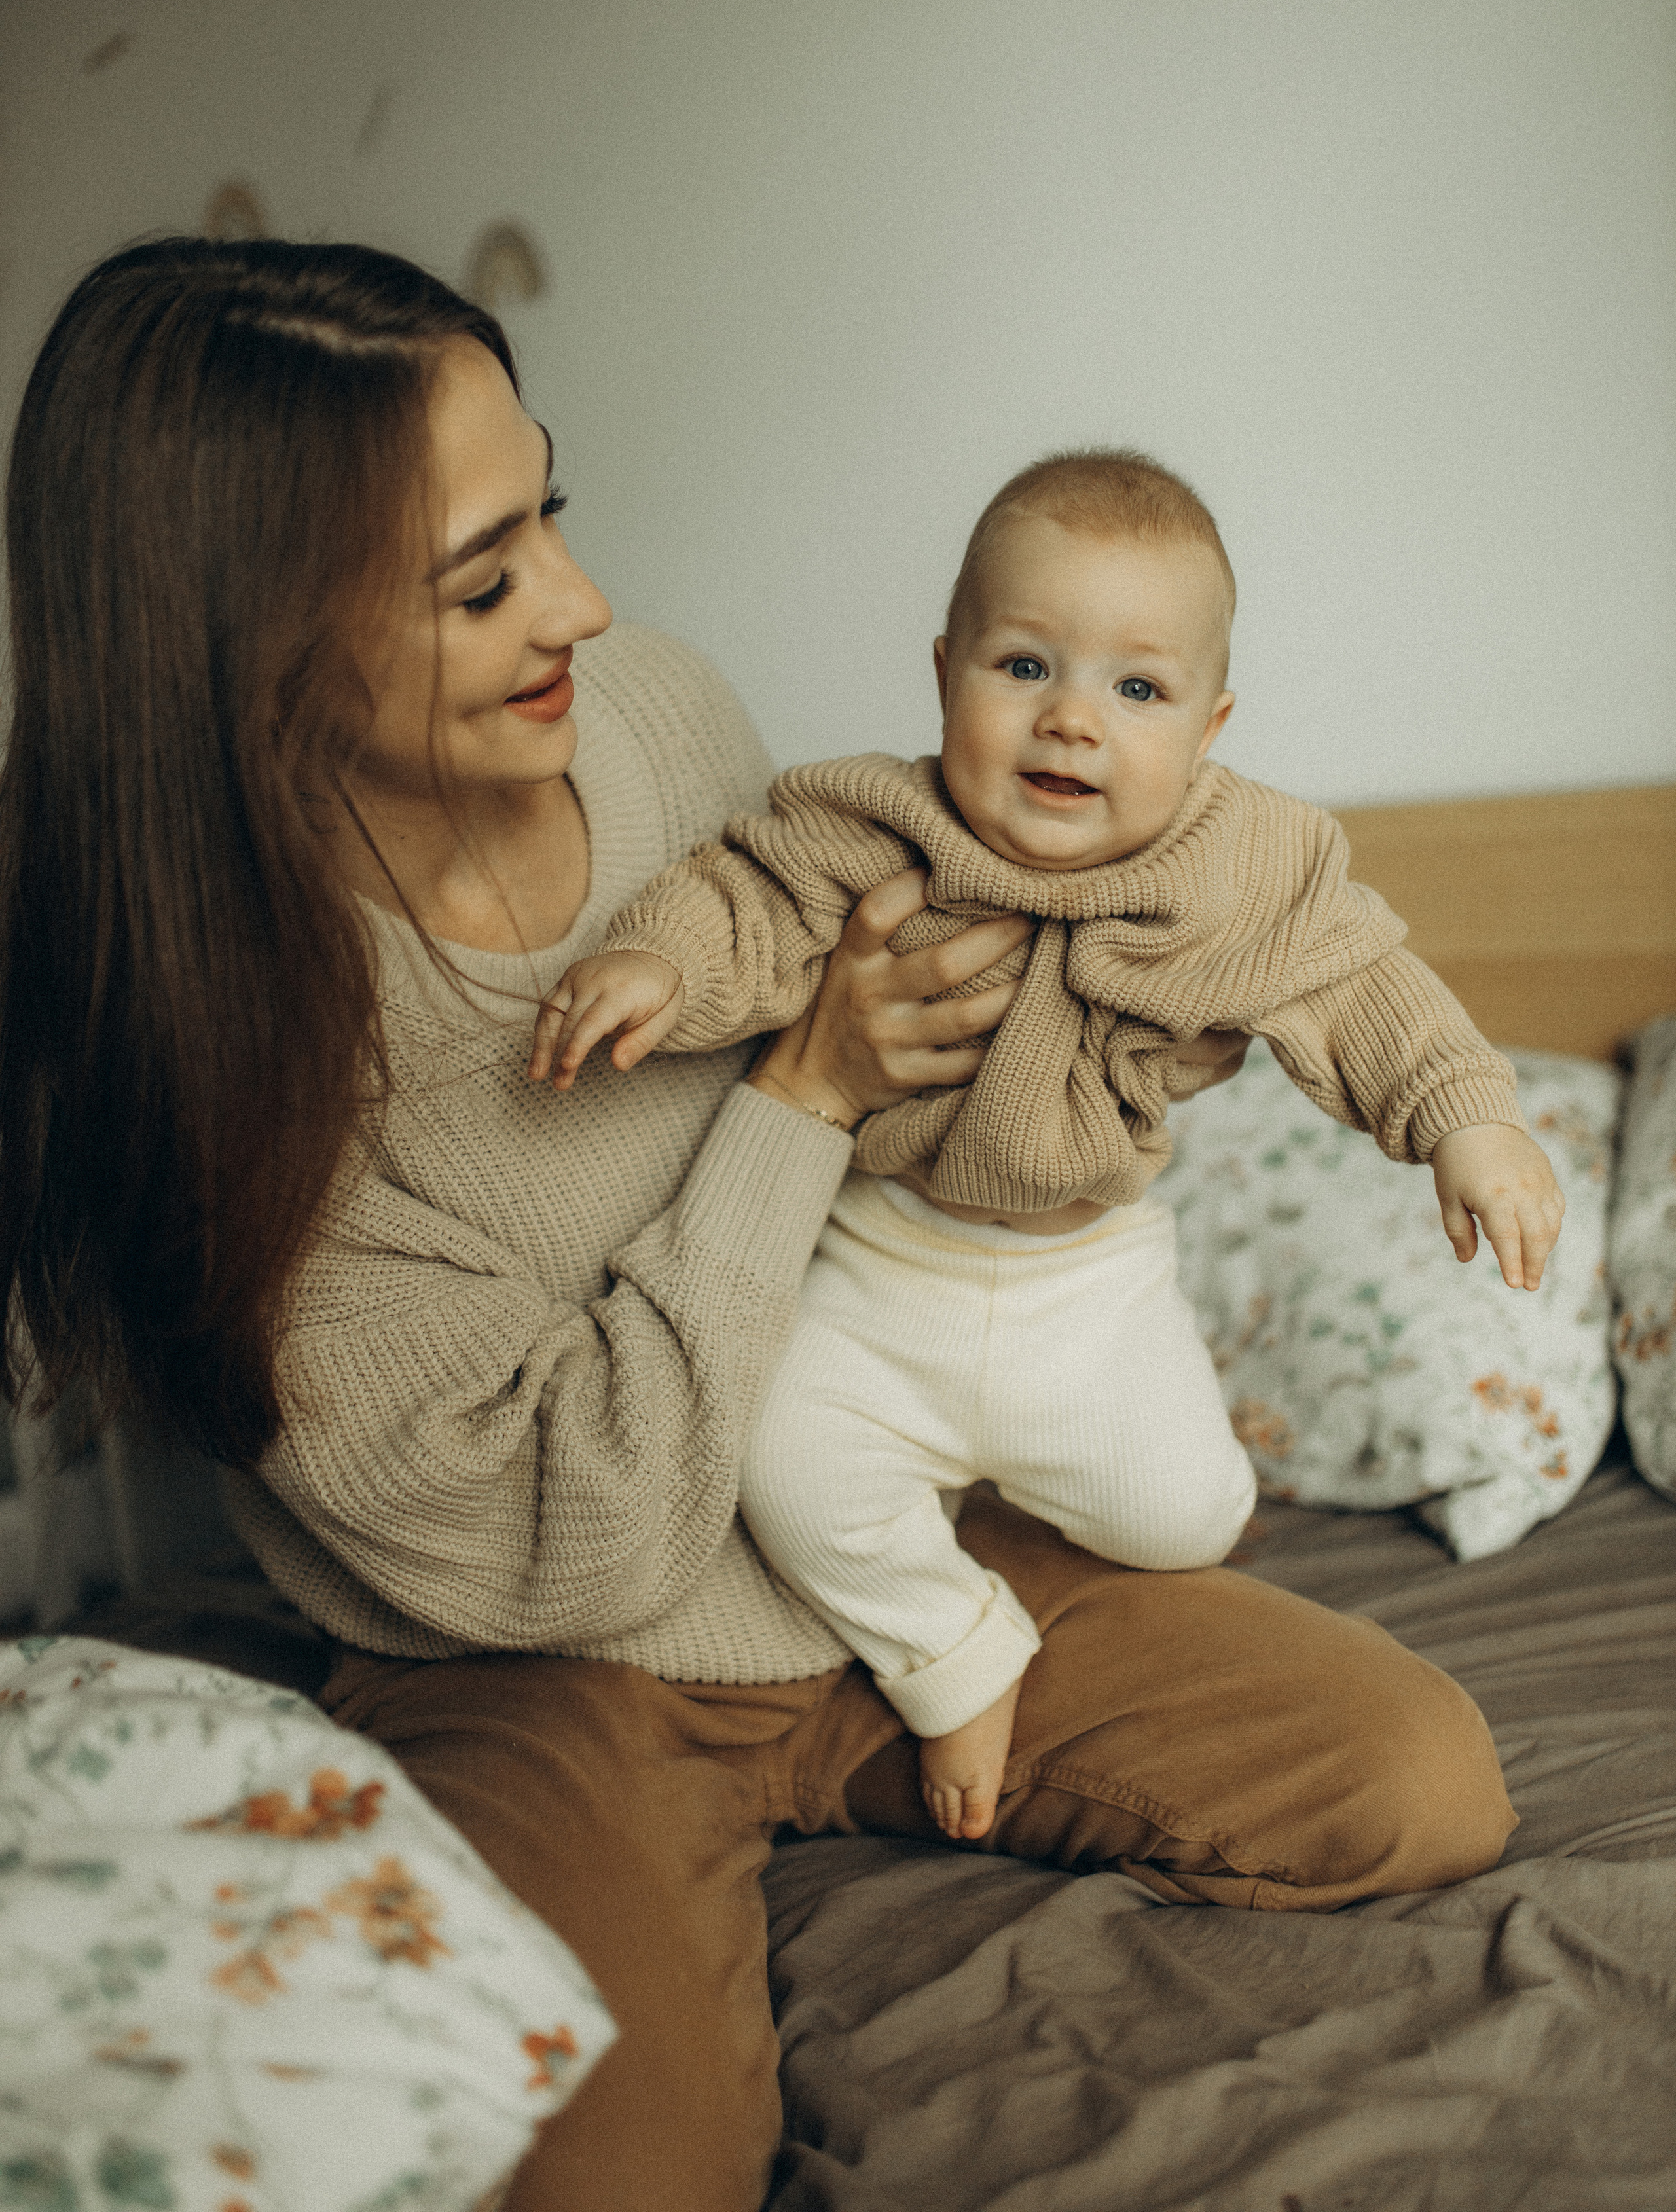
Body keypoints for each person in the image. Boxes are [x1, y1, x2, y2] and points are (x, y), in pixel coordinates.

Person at [0, 244, 1519, 2212]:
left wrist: (1101, 1062)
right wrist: (802, 1094)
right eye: (485, 578)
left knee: (1412, 1777)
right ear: (252, 648)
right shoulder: (210, 1081)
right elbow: (602, 1534)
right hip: (549, 1644)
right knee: (609, 2180)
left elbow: (937, 970)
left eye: (553, 506)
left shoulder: (646, 712)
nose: (584, 601)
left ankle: (916, 1714)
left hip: (876, 1511)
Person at [530, 449, 1564, 1843]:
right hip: (879, 1259)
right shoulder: (876, 822)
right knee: (774, 1461)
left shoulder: (1240, 870)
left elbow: (1362, 988)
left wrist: (1469, 1119)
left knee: (1182, 1520)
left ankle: (1013, 1494)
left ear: (1209, 724)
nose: (1072, 721)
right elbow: (743, 895)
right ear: (945, 668)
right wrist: (658, 961)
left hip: (1092, 1287)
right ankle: (954, 1642)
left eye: (1135, 689)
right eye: (1024, 666)